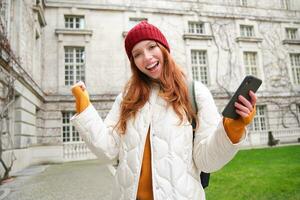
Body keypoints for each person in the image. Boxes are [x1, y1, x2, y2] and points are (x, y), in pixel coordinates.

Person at [71, 21, 257, 200]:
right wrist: (85, 109)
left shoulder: (195, 93)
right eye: (137, 54)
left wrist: (232, 128)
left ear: (164, 48)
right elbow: (108, 150)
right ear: (133, 62)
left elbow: (207, 160)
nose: (147, 57)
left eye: (152, 47)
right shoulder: (126, 99)